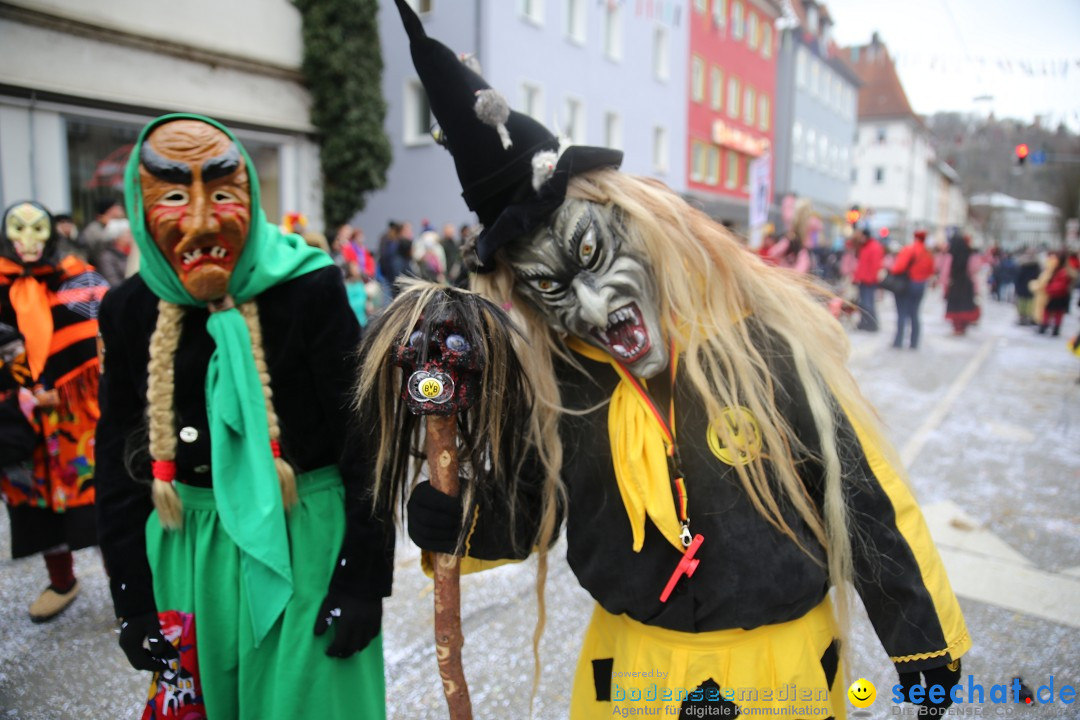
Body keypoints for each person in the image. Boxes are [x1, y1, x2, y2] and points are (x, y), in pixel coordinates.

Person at [391, 3, 970, 717]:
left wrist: (924, 648)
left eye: (592, 254)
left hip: (778, 675)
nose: (595, 308)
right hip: (629, 675)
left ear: (635, 224)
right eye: (550, 286)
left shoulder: (766, 351)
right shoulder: (561, 389)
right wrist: (456, 518)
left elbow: (866, 500)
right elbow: (529, 511)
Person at [95, 114, 390, 719]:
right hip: (187, 552)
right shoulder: (129, 309)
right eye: (174, 196)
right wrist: (132, 597)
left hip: (306, 540)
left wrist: (361, 579)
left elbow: (368, 440)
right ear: (139, 205)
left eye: (223, 192)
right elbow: (116, 457)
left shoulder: (309, 289)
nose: (202, 219)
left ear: (251, 197)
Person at [0, 201, 107, 621]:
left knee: (98, 497)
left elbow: (106, 332)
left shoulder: (78, 275)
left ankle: (127, 583)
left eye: (37, 229)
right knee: (36, 508)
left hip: (77, 417)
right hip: (20, 418)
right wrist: (25, 388)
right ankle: (62, 580)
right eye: (18, 229)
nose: (28, 240)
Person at [889, 229, 936, 349]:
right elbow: (931, 270)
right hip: (920, 285)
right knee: (915, 313)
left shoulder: (909, 249)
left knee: (902, 313)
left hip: (907, 284)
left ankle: (898, 341)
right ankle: (914, 342)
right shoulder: (928, 253)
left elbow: (898, 268)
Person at [942, 233, 980, 336]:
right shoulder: (969, 254)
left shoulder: (950, 256)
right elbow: (974, 270)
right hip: (966, 284)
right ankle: (963, 327)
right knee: (965, 305)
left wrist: (945, 287)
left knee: (955, 306)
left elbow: (945, 273)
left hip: (955, 284)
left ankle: (957, 327)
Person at [851, 225, 884, 331]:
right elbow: (861, 264)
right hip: (863, 279)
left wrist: (872, 279)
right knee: (864, 303)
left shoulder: (874, 247)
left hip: (869, 281)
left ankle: (872, 324)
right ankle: (864, 323)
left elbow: (875, 265)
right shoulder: (865, 246)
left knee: (868, 303)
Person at [77, 197, 124, 266]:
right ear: (109, 210)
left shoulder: (115, 225)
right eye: (117, 207)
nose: (121, 210)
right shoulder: (94, 228)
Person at [96, 217, 135, 288]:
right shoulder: (107, 256)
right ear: (117, 236)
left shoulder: (133, 252)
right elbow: (114, 282)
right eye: (129, 233)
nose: (132, 236)